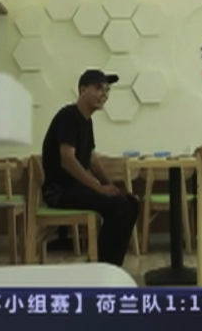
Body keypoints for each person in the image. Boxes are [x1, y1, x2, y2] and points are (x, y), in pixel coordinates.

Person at [41, 69, 140, 268]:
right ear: (82, 90)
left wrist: (113, 187)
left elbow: (92, 160)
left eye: (107, 90)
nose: (104, 94)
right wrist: (99, 188)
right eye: (99, 88)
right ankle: (102, 266)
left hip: (75, 190)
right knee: (119, 207)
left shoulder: (86, 121)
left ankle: (110, 265)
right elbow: (67, 160)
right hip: (59, 193)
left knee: (130, 202)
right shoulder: (69, 116)